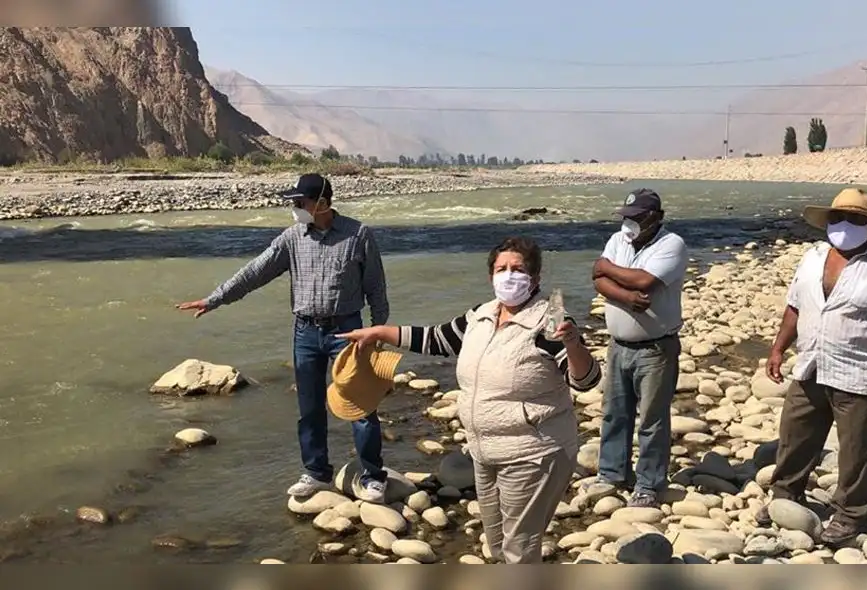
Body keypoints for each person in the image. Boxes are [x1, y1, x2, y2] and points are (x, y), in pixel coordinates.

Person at [337, 237, 601, 564]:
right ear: (491, 275)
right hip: (484, 450)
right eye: (501, 269)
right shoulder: (481, 315)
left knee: (519, 549)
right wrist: (379, 333)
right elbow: (436, 339)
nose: (508, 275)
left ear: (535, 277)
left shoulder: (548, 322)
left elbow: (587, 380)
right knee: (496, 542)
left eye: (517, 269)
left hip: (534, 452)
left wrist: (574, 344)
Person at [175, 173, 393, 503]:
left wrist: (378, 332)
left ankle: (374, 476)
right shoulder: (292, 238)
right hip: (305, 331)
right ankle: (316, 472)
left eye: (299, 202)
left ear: (322, 203)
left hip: (348, 332)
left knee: (361, 406)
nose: (294, 208)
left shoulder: (358, 235)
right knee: (309, 408)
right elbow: (254, 272)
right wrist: (214, 299)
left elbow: (376, 286)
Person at [756, 187, 867, 546]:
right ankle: (786, 496)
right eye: (838, 217)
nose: (844, 225)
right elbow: (795, 306)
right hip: (811, 363)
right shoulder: (811, 258)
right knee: (795, 435)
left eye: (855, 219)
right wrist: (779, 348)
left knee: (857, 450)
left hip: (859, 371)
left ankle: (850, 513)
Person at [587, 188, 687, 508]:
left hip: (655, 349)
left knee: (652, 421)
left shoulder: (672, 244)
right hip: (618, 345)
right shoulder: (619, 239)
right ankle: (612, 473)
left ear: (655, 218)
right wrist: (626, 296)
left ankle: (648, 483)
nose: (628, 223)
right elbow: (597, 278)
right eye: (626, 217)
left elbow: (646, 281)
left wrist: (608, 269)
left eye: (636, 218)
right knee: (615, 413)